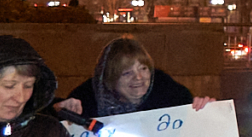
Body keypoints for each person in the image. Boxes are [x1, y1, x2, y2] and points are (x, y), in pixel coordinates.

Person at [55, 34, 207, 119]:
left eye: (143, 68)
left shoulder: (172, 97)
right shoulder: (85, 102)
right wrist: (61, 112)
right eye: (127, 73)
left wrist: (205, 110)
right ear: (111, 79)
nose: (139, 78)